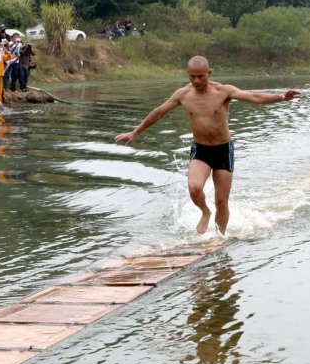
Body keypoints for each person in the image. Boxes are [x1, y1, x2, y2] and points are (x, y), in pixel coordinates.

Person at [114, 56, 300, 235]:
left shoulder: (223, 91)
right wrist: (136, 132)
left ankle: (220, 236)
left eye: (200, 76)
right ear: (187, 74)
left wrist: (281, 97)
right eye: (192, 76)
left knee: (221, 201)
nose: (196, 80)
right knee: (195, 188)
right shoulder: (183, 95)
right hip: (201, 150)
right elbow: (159, 112)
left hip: (223, 149)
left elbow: (254, 96)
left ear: (209, 73)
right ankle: (205, 212)